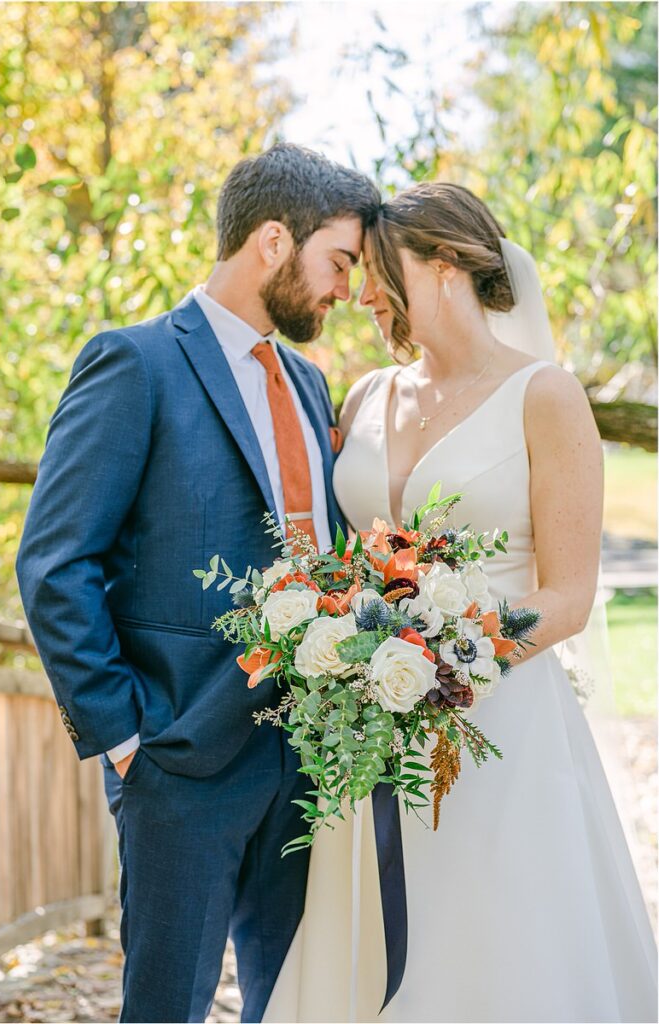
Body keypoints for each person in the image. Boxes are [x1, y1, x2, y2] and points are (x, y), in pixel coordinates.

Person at [263, 182, 657, 1023]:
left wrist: (447, 660)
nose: (362, 294)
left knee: (495, 948)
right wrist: (351, 644)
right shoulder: (366, 396)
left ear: (443, 266)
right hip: (369, 730)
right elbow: (349, 557)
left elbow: (568, 597)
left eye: (379, 272)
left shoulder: (544, 397)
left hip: (499, 727)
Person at [15, 143, 380, 1024]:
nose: (343, 290)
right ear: (269, 241)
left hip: (307, 755)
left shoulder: (307, 380)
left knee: (292, 1003)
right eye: (338, 261)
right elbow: (55, 562)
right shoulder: (134, 363)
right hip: (177, 756)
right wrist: (124, 737)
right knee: (167, 1008)